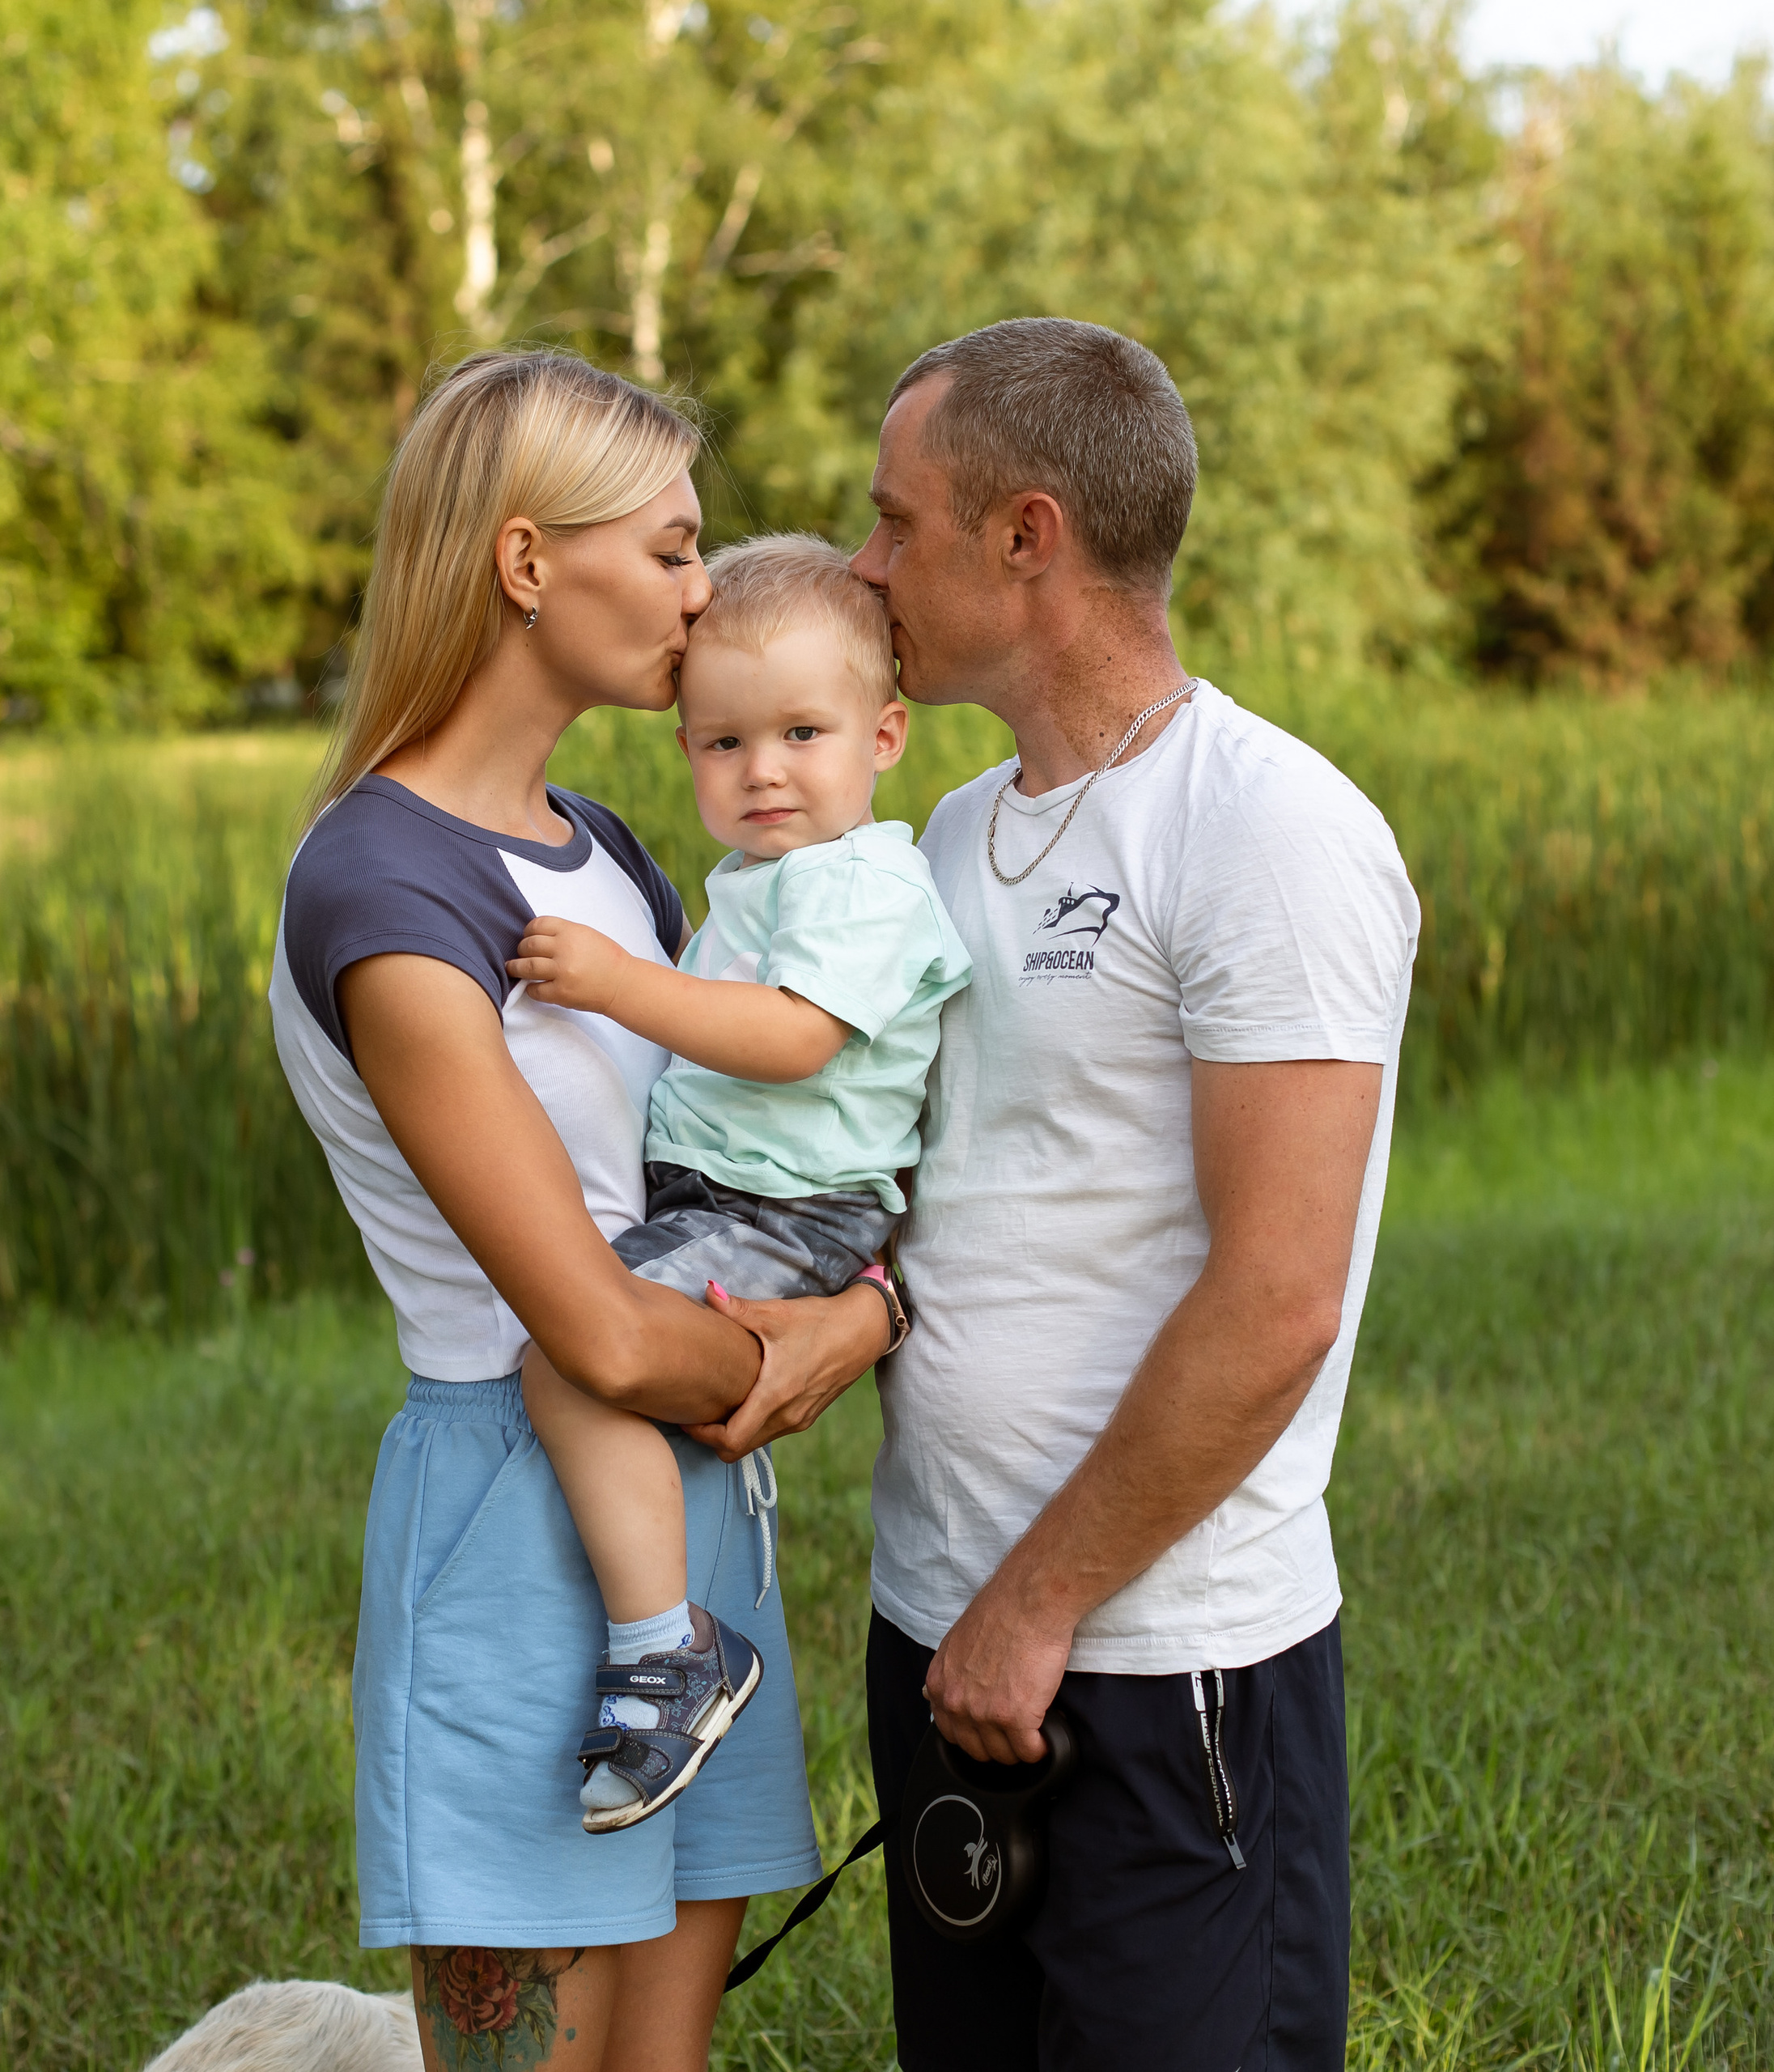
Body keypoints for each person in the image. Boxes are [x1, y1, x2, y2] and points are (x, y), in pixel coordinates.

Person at [715, 315, 1419, 2066]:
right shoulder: (946, 837)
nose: (865, 568)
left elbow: (1279, 1300)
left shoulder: (1267, 829)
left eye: (895, 522)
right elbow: (947, 1183)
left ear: (1025, 536)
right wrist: (852, 1315)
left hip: (1161, 1662)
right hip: (936, 1627)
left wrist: (1035, 1607)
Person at [268, 350, 895, 2072]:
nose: (704, 595)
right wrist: (816, 1347)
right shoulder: (384, 884)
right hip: (516, 1513)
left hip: (695, 1511)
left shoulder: (611, 850)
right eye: (673, 549)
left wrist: (862, 1310)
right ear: (528, 562)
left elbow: (779, 1142)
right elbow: (598, 1333)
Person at [506, 535, 971, 1832]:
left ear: (884, 737)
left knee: (572, 1354)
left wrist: (618, 983)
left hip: (789, 1211)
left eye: (802, 733)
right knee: (589, 1348)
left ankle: (668, 1650)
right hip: (735, 1199)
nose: (763, 769)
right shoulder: (776, 878)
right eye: (725, 743)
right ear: (686, 751)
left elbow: (792, 1036)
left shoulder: (862, 882)